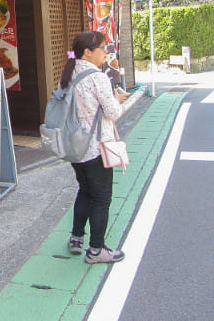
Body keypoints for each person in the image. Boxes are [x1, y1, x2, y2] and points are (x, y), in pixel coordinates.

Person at [61, 31, 130, 264]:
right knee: (101, 198)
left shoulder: (69, 73)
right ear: (88, 51)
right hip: (95, 148)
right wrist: (117, 100)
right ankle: (96, 250)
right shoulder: (97, 77)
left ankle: (76, 237)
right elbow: (112, 112)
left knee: (85, 190)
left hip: (74, 145)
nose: (106, 53)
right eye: (102, 48)